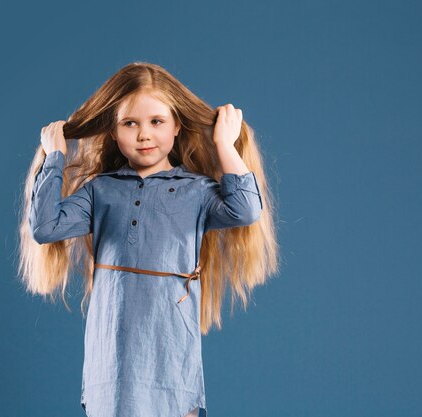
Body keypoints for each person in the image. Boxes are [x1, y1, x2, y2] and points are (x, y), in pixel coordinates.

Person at [17, 62, 279, 417]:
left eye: (156, 121)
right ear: (113, 131)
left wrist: (224, 144)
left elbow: (246, 210)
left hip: (170, 346)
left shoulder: (197, 192)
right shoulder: (100, 190)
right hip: (113, 351)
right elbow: (45, 227)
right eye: (130, 123)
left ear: (176, 126)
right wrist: (53, 157)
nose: (144, 135)